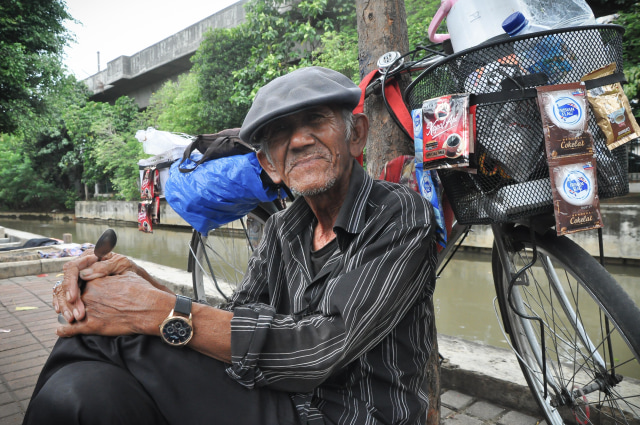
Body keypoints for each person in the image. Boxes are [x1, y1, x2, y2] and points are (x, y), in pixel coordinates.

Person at [24, 66, 437, 425]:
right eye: (280, 133)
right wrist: (143, 284)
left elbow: (319, 349)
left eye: (316, 119)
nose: (298, 141)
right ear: (269, 165)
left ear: (356, 135)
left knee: (111, 333)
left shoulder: (400, 214)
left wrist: (148, 309)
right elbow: (231, 321)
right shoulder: (283, 229)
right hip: (277, 397)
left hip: (350, 415)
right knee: (83, 395)